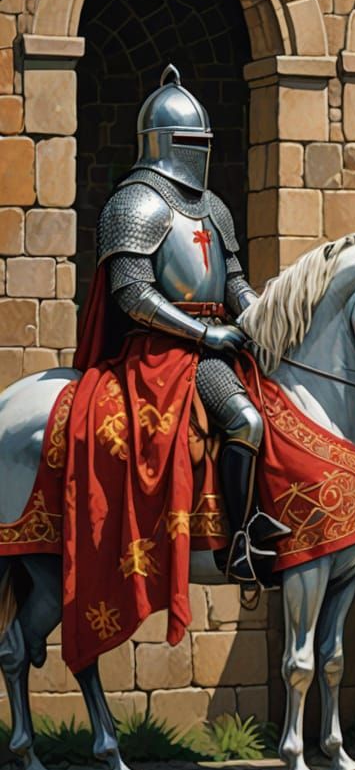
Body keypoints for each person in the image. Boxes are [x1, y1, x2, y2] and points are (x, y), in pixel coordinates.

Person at [86, 64, 287, 584]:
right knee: (246, 419)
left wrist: (264, 318)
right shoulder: (134, 201)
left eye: (204, 140)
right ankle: (239, 541)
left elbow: (234, 282)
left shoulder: (213, 207)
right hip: (164, 350)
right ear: (162, 142)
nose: (199, 150)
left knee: (281, 404)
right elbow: (133, 294)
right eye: (189, 140)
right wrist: (205, 333)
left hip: (217, 340)